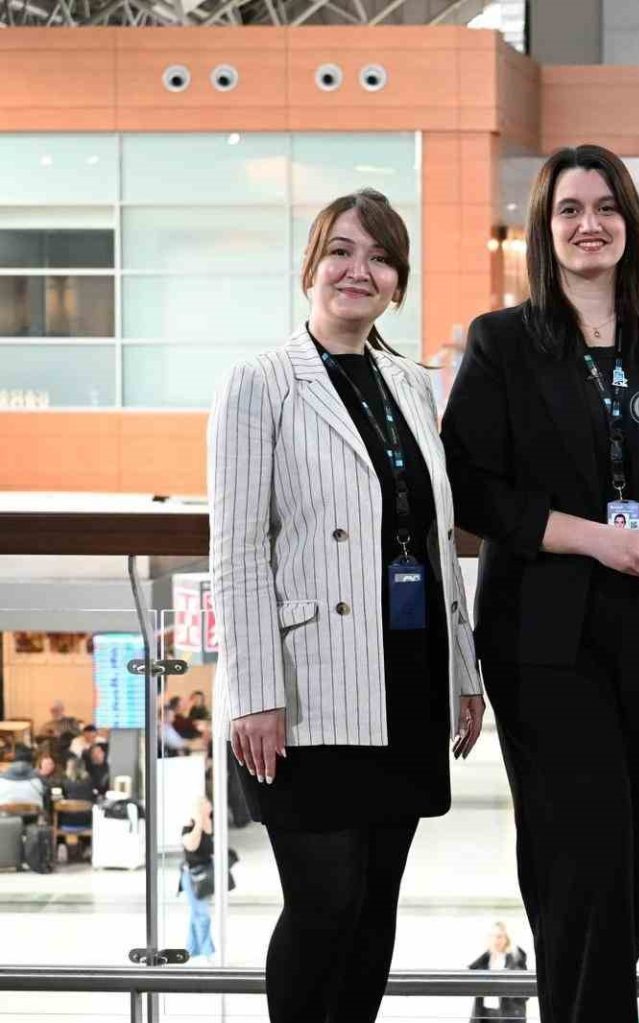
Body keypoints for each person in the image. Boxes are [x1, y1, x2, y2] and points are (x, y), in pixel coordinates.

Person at [441, 144, 639, 1023]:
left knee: (629, 851)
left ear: (630, 222)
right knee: (583, 846)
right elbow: (471, 487)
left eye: (606, 207)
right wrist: (595, 541)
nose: (589, 224)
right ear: (544, 228)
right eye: (569, 209)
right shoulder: (503, 341)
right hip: (545, 637)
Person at [208, 188, 486, 1023]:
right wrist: (254, 692)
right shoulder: (261, 382)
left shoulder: (413, 382)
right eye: (341, 250)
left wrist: (464, 673)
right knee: (324, 905)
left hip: (405, 677)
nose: (358, 270)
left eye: (380, 257)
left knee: (373, 909)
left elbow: (435, 542)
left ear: (398, 282)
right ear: (311, 267)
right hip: (308, 689)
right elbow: (237, 549)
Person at [180, 797, 218, 961]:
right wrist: (199, 823)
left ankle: (191, 949)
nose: (209, 807)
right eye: (204, 805)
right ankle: (208, 951)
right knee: (202, 915)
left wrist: (205, 821)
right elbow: (192, 846)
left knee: (196, 913)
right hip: (192, 876)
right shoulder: (189, 826)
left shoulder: (211, 823)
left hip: (206, 876)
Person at [468, 922, 529, 1022]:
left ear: (506, 939)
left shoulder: (515, 960)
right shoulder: (484, 960)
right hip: (484, 1014)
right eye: (493, 936)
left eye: (499, 937)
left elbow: (525, 994)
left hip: (508, 1015)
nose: (496, 940)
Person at [0, 746, 48, 817]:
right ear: (31, 762)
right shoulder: (40, 779)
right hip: (33, 819)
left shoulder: (1, 779)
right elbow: (46, 799)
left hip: (4, 820)